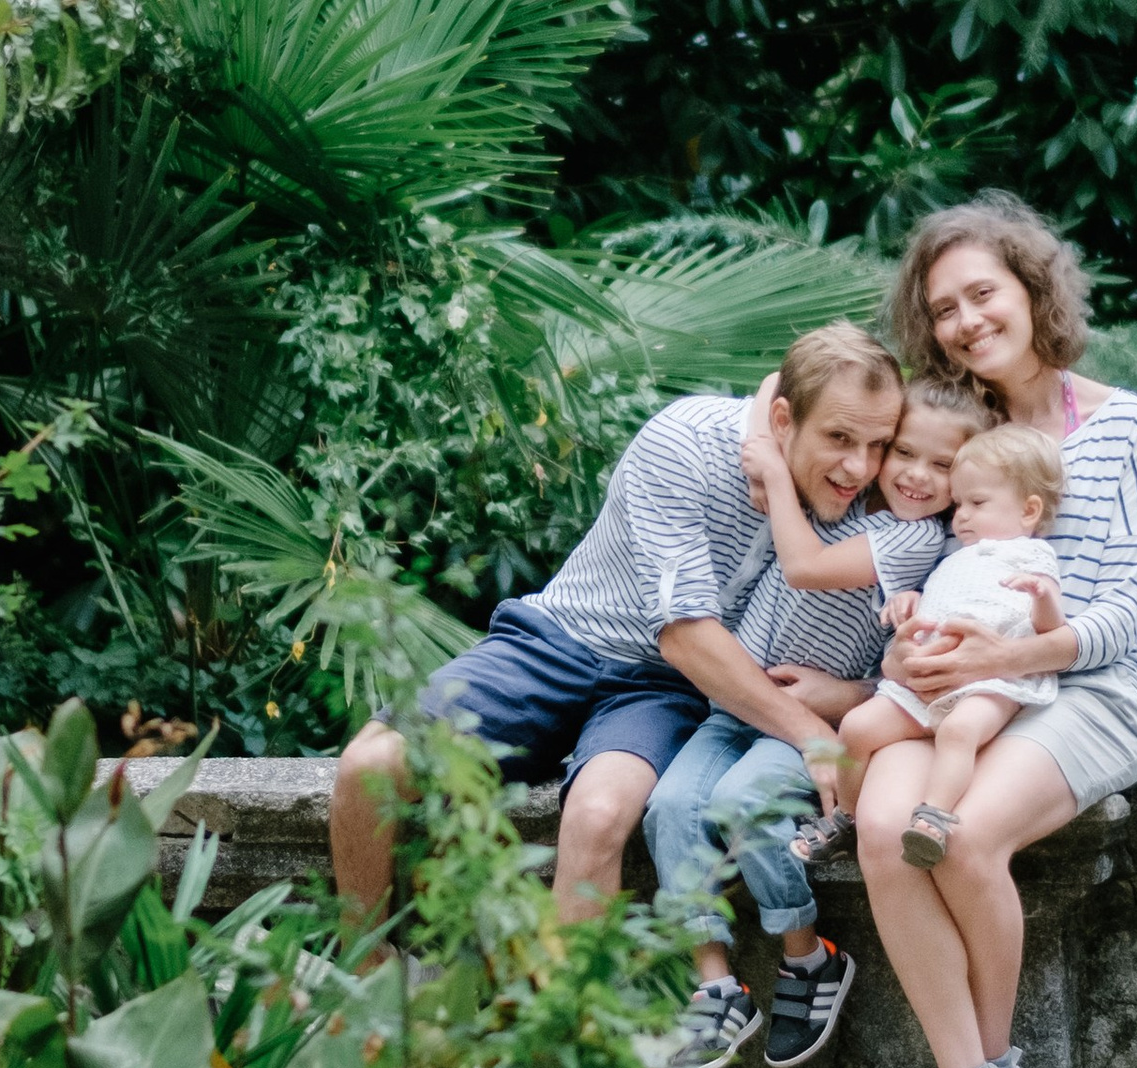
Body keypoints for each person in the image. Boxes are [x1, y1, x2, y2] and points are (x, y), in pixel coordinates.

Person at [327, 322, 903, 964]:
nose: (861, 467)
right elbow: (686, 635)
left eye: (878, 444)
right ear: (781, 419)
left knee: (600, 819)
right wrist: (812, 734)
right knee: (370, 764)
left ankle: (568, 1051)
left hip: (664, 693)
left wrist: (858, 693)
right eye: (840, 439)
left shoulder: (862, 497)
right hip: (559, 641)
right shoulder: (685, 442)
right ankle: (365, 983)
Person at [857, 196, 1137, 1068]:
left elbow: (1121, 613)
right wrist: (909, 647)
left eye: (981, 293)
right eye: (942, 308)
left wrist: (1008, 656)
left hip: (1088, 693)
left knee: (966, 834)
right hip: (963, 692)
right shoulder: (968, 438)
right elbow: (923, 562)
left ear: (1033, 291)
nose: (963, 321)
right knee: (883, 830)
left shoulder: (1123, 425)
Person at [640, 376, 975, 1068]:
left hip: (806, 723)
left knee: (743, 806)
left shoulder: (914, 540)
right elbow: (776, 380)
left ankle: (808, 959)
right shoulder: (840, 496)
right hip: (735, 708)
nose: (915, 475)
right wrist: (771, 442)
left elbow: (806, 568)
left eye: (942, 465)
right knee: (670, 806)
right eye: (902, 452)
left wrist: (772, 475)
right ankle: (716, 986)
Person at [826, 422, 1067, 864]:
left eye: (977, 503)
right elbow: (940, 605)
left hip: (993, 684)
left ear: (1029, 511)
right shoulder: (954, 557)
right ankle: (845, 816)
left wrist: (1044, 597)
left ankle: (932, 818)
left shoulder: (1031, 557)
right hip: (926, 682)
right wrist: (910, 601)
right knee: (857, 728)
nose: (961, 516)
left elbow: (1050, 630)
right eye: (958, 504)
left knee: (959, 730)